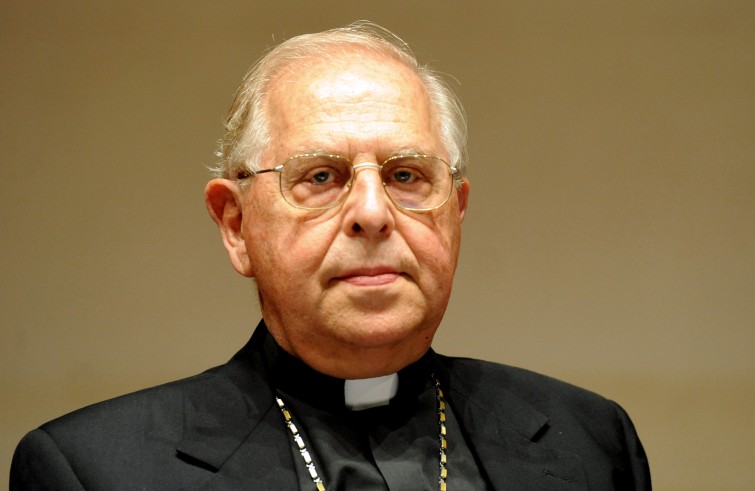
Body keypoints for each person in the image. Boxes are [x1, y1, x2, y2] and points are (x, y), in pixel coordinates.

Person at [10, 21, 651, 490]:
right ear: (236, 225)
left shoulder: (592, 442)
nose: (372, 213)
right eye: (320, 176)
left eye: (406, 175)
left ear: (456, 212)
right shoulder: (95, 471)